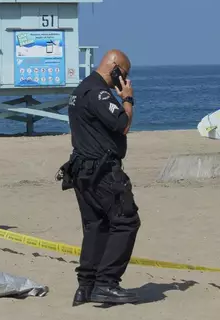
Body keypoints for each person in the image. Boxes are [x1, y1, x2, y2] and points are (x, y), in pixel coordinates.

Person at [59, 49, 140, 306]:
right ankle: (106, 283)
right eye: (123, 74)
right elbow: (122, 124)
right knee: (126, 222)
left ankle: (86, 285)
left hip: (82, 170)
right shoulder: (98, 92)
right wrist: (127, 99)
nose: (125, 80)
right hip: (102, 172)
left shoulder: (80, 90)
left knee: (96, 226)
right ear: (115, 68)